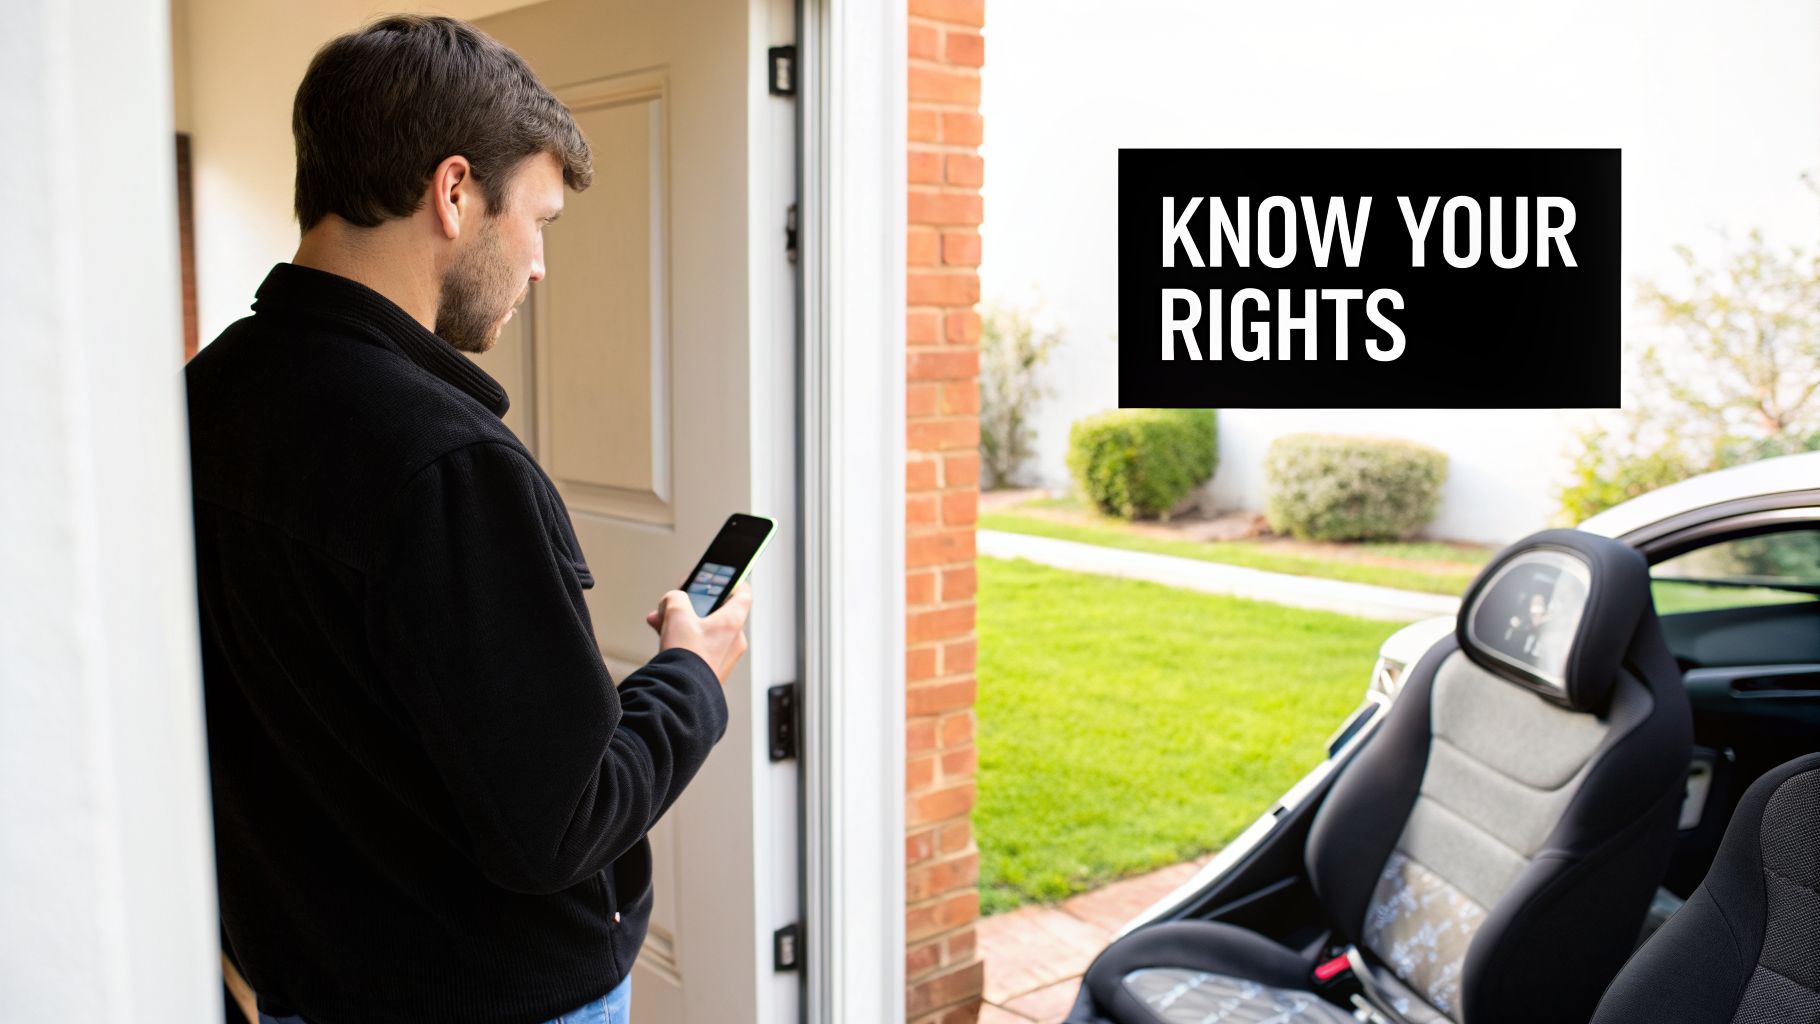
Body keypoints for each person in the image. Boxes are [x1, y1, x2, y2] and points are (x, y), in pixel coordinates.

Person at [183, 15, 750, 1024]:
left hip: (303, 986)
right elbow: (563, 821)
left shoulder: (202, 396)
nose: (538, 266)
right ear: (453, 193)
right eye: (536, 221)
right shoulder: (445, 464)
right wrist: (691, 675)